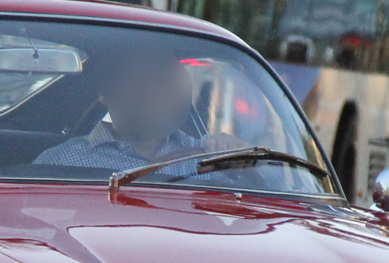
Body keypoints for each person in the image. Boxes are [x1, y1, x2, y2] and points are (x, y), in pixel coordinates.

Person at [33, 47, 244, 173]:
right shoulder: (60, 162)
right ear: (104, 93)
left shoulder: (210, 159)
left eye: (163, 77)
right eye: (135, 78)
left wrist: (245, 161)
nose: (152, 89)